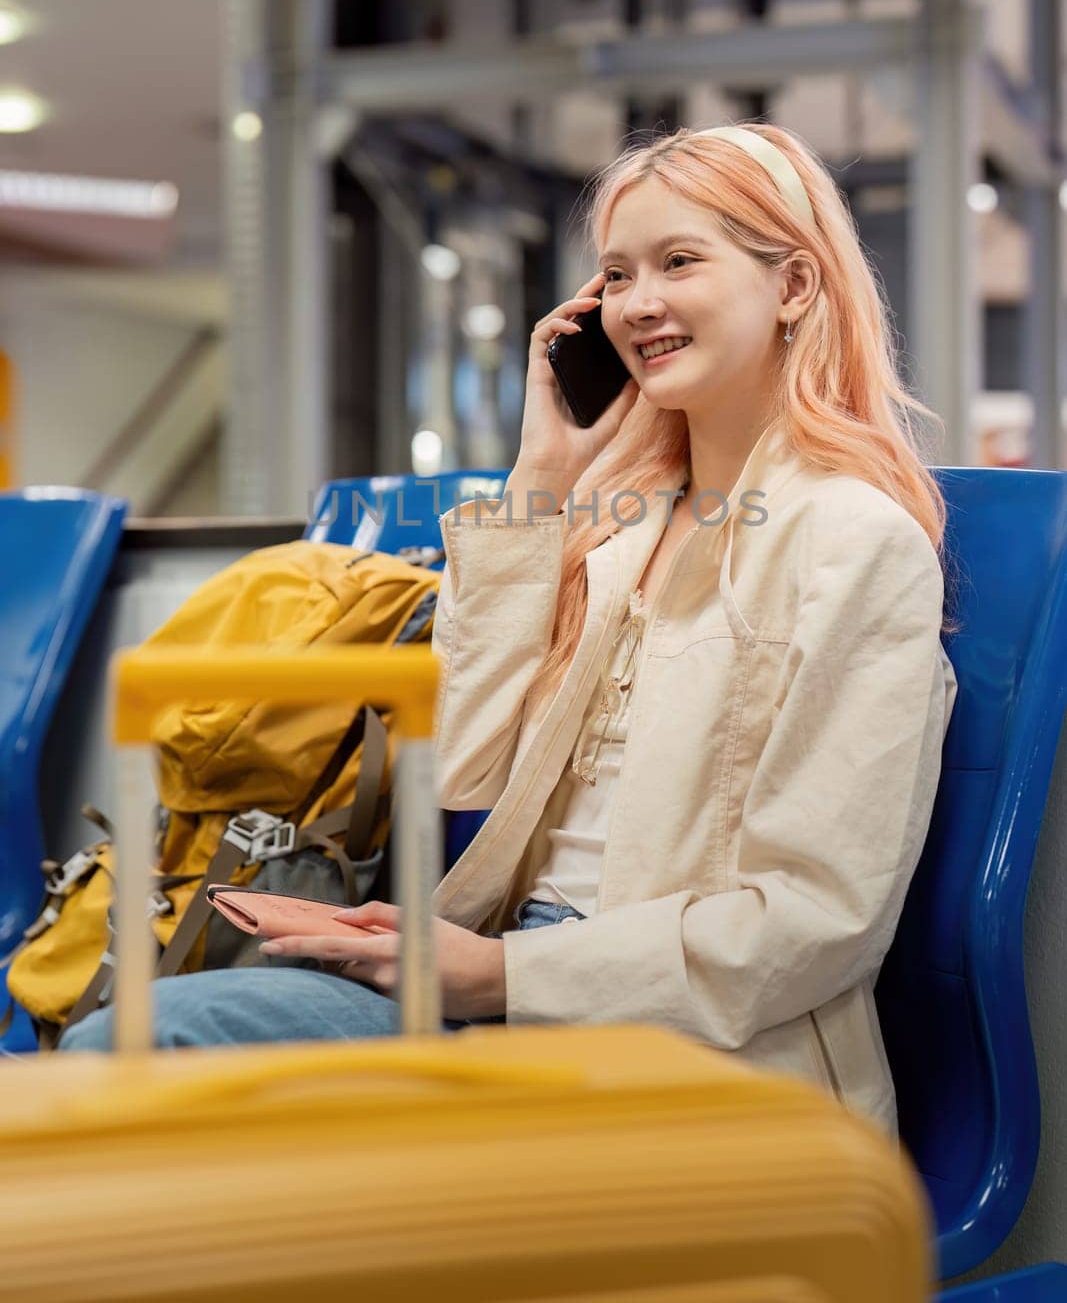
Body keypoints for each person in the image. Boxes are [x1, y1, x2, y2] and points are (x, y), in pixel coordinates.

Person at [60, 123, 958, 1140]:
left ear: (793, 286)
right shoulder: (618, 529)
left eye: (678, 262)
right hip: (507, 991)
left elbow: (811, 919)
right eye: (614, 275)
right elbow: (456, 765)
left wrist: (498, 972)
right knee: (118, 1052)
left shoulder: (851, 540)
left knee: (137, 1069)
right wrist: (539, 481)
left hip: (696, 1063)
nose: (637, 304)